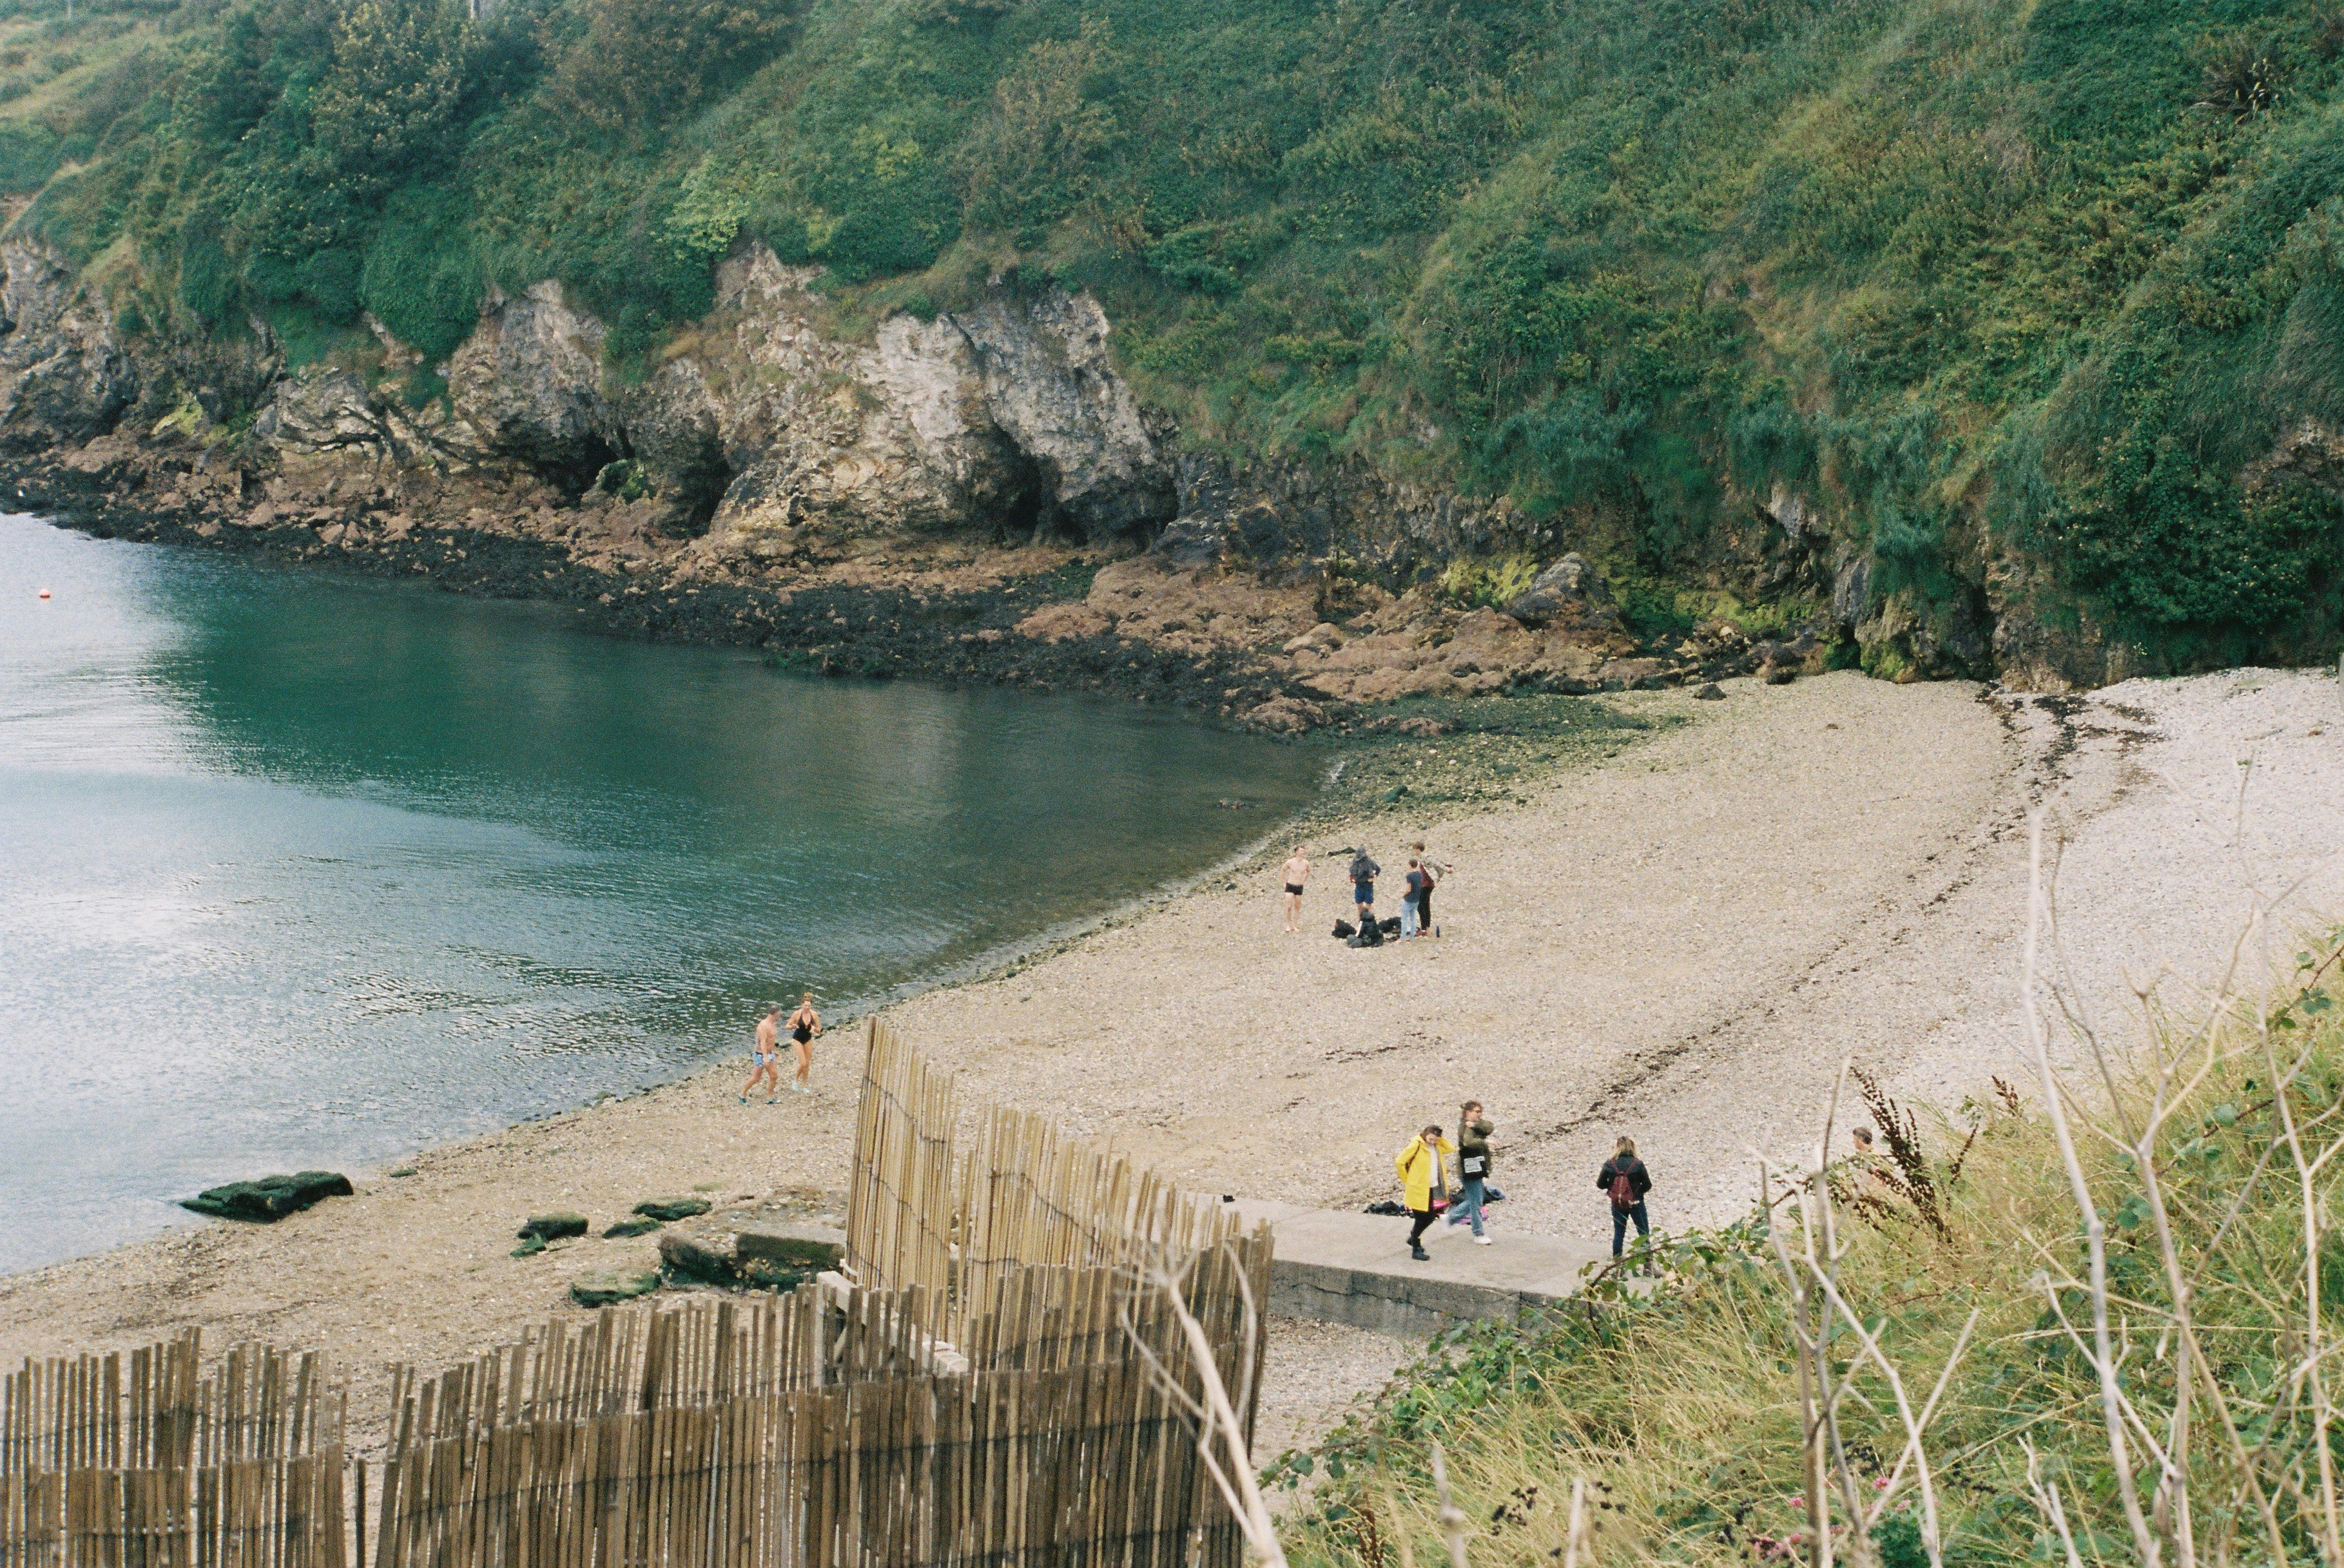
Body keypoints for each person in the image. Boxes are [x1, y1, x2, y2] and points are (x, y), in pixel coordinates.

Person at [1395, 1123, 1455, 1261]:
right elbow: (1399, 1161)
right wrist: (1407, 1179)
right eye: (1430, 1138)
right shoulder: (1416, 1145)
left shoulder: (1437, 1146)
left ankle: (1413, 1239)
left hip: (1430, 1186)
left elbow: (1451, 1148)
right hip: (1418, 1188)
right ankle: (1415, 1246)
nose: (1432, 1141)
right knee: (1423, 1217)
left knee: (1429, 1216)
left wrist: (1440, 1139)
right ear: (1425, 1134)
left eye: (1435, 1139)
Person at [1598, 1136, 1653, 1268]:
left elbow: (1600, 1184)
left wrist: (1614, 1189)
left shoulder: (1610, 1164)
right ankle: (1648, 1267)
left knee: (1619, 1233)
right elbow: (1648, 1185)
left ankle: (1618, 1266)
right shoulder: (1637, 1164)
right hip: (1636, 1203)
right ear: (1632, 1147)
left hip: (1618, 1204)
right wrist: (1637, 1192)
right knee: (1643, 1233)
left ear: (1617, 1148)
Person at [1448, 1102, 1494, 1244]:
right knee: (1476, 1201)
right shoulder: (1464, 1127)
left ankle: (1450, 1219)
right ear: (1467, 1112)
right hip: (1468, 1167)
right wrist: (1485, 1143)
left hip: (1476, 1166)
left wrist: (1476, 1125)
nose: (1479, 1114)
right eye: (1476, 1111)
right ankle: (1478, 1233)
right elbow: (1468, 1142)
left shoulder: (1475, 1124)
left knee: (1477, 1199)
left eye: (1481, 1111)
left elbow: (1489, 1127)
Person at [741, 1006, 784, 1104]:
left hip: (770, 1053)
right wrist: (765, 1056)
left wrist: (773, 1050)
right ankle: (742, 1094)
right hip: (761, 1055)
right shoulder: (763, 1025)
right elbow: (763, 1042)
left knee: (774, 1076)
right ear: (775, 1013)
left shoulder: (773, 1023)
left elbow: (771, 1040)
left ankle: (769, 1097)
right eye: (779, 1014)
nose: (779, 1016)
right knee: (756, 1078)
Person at [786, 992, 822, 1094]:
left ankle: (804, 1085)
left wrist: (814, 1028)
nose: (807, 1007)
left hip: (808, 1039)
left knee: (807, 1064)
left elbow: (820, 1030)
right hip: (797, 1039)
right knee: (803, 1063)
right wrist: (792, 1026)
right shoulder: (797, 1014)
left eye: (809, 1006)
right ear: (802, 1005)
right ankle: (796, 1081)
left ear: (811, 1006)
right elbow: (787, 1026)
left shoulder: (813, 1014)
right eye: (805, 1005)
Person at [1411, 842, 1442, 935]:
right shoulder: (1424, 858)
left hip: (1426, 885)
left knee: (1421, 906)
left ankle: (1424, 929)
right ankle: (1427, 928)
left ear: (1418, 850)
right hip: (1428, 884)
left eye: (1415, 849)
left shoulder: (1424, 859)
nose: (1414, 851)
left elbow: (1431, 869)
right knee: (1426, 905)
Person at [1281, 846, 1311, 934]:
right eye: (1301, 851)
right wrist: (1284, 882)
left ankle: (1294, 925)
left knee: (1297, 906)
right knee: (1289, 906)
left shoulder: (1306, 863)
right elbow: (1283, 870)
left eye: (1304, 851)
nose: (1303, 852)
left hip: (1299, 886)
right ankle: (1288, 925)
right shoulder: (1290, 862)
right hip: (1290, 885)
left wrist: (1304, 880)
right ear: (1297, 852)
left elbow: (1308, 871)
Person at [1350, 849, 1380, 927]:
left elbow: (1378, 869)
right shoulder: (1354, 863)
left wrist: (1374, 878)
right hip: (1359, 886)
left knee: (1368, 906)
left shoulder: (1369, 862)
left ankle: (1371, 922)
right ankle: (1360, 923)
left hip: (1368, 886)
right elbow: (1352, 873)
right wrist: (1353, 879)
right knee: (1359, 906)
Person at [1400, 858, 1428, 939]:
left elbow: (1409, 889)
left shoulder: (1409, 876)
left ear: (1410, 865)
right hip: (1417, 899)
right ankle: (1412, 936)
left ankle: (1403, 938)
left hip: (1409, 899)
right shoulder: (1419, 874)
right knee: (1413, 918)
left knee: (1404, 919)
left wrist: (1403, 895)